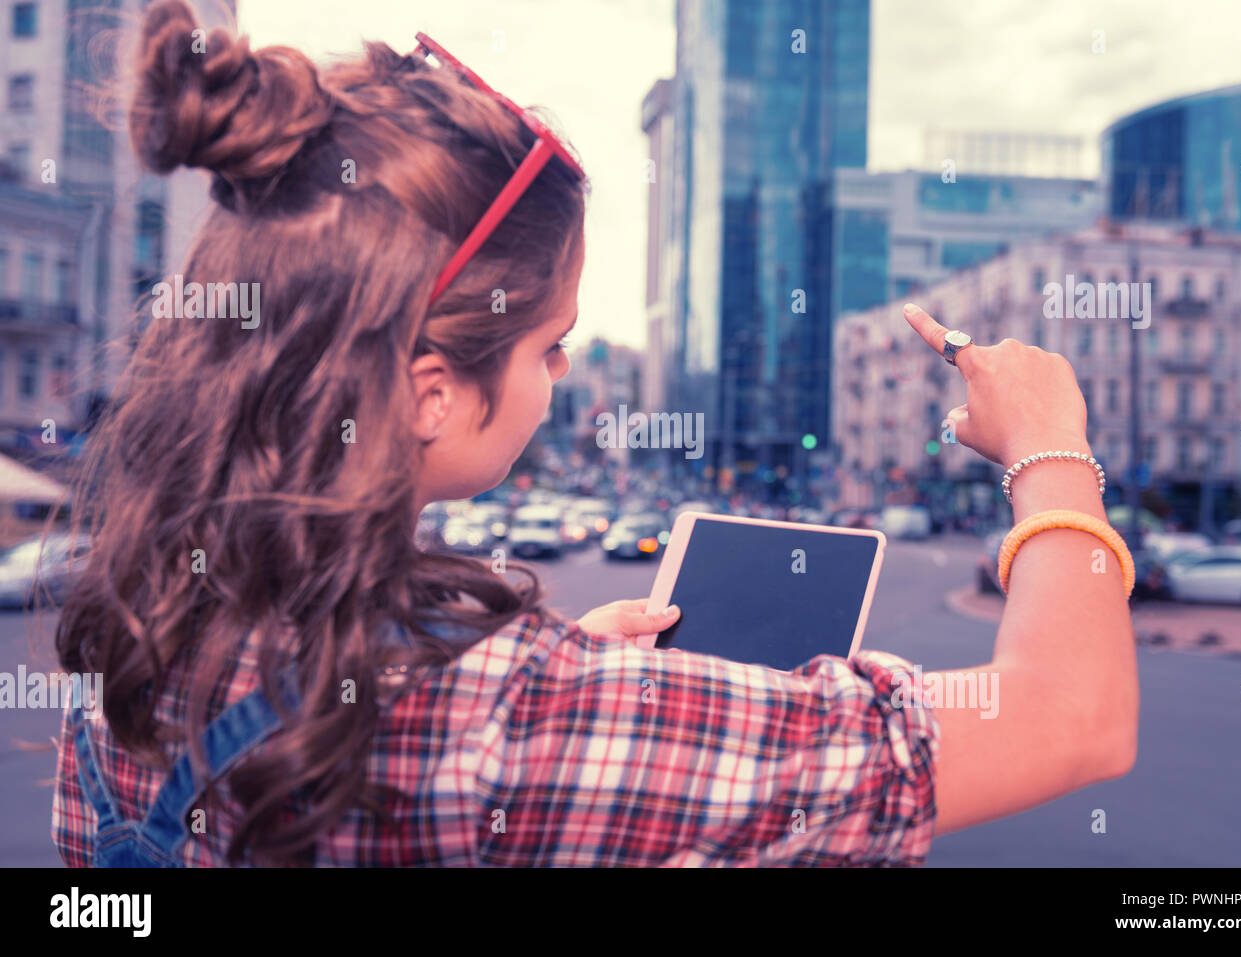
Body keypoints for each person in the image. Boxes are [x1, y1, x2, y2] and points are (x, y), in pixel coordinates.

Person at [51, 0, 1136, 867]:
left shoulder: (137, 630)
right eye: (548, 345)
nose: (558, 381)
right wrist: (1051, 453)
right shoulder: (518, 722)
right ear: (432, 390)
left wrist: (575, 675)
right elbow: (1071, 719)